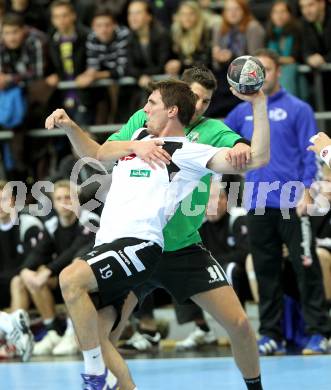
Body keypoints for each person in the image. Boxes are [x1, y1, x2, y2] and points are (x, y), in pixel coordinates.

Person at [46, 78, 270, 390]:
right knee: (99, 331)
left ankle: (95, 377)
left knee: (240, 324)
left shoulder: (192, 146)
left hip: (164, 247)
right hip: (118, 245)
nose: (144, 108)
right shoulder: (140, 129)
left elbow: (255, 158)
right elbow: (98, 151)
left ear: (173, 110)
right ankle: (117, 383)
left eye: (151, 103)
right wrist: (73, 126)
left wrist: (258, 105)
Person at [224, 48, 331, 355]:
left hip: (293, 201)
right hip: (257, 202)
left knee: (306, 266)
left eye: (266, 70)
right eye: (256, 71)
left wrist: (309, 191)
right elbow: (221, 141)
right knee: (265, 270)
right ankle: (271, 334)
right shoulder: (240, 112)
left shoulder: (299, 109)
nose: (261, 76)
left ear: (277, 72)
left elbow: (312, 152)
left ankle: (318, 332)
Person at [15, 180, 100, 356]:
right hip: (63, 279)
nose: (64, 202)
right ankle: (52, 331)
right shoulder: (52, 224)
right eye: (59, 198)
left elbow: (75, 251)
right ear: (54, 203)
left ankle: (72, 332)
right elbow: (39, 252)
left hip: (96, 281)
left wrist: (48, 270)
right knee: (31, 277)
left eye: (68, 197)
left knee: (75, 266)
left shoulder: (90, 220)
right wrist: (26, 270)